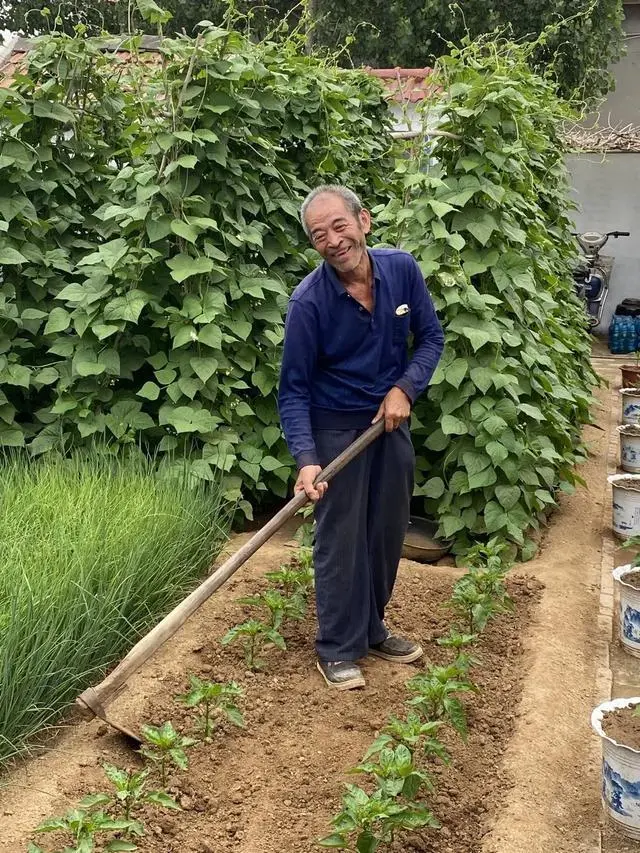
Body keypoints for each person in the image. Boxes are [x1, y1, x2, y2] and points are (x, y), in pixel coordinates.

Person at [278, 185, 445, 691]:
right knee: (341, 539)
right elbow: (293, 391)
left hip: (388, 422)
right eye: (318, 234)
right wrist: (307, 459)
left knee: (386, 531)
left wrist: (404, 388)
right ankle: (336, 645)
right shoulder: (309, 303)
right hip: (335, 431)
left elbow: (431, 338)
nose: (332, 239)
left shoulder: (402, 270)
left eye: (339, 225)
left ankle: (372, 629)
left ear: (363, 221)